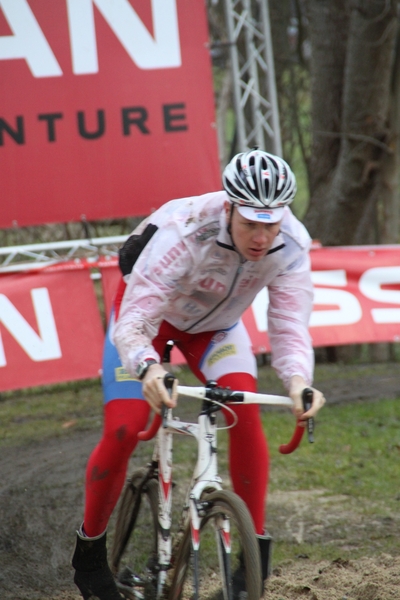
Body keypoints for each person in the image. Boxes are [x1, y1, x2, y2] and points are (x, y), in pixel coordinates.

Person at [72, 149, 325, 600]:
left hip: (216, 328)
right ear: (228, 206)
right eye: (251, 223)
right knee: (125, 429)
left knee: (245, 414)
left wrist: (298, 383)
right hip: (145, 322)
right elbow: (135, 322)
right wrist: (148, 367)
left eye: (271, 224)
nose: (262, 237)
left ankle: (252, 564)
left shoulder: (293, 243)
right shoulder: (183, 230)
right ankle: (89, 552)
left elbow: (288, 325)